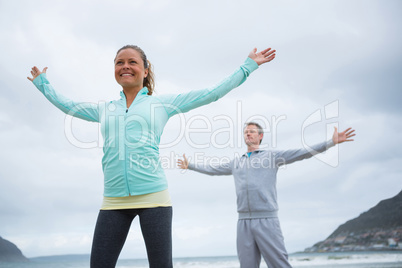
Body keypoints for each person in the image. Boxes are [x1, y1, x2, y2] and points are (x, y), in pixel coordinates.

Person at [27, 45, 276, 268]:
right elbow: (68, 105)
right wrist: (43, 84)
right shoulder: (105, 109)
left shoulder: (161, 105)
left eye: (132, 62)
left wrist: (248, 66)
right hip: (113, 201)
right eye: (119, 62)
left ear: (145, 71)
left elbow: (212, 93)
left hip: (154, 198)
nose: (125, 66)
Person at [178, 122, 355, 268]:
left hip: (267, 220)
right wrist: (191, 165)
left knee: (279, 265)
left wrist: (330, 142)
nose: (248, 134)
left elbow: (303, 153)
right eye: (246, 132)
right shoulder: (236, 162)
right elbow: (213, 169)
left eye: (252, 132)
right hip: (243, 223)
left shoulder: (272, 156)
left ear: (260, 136)